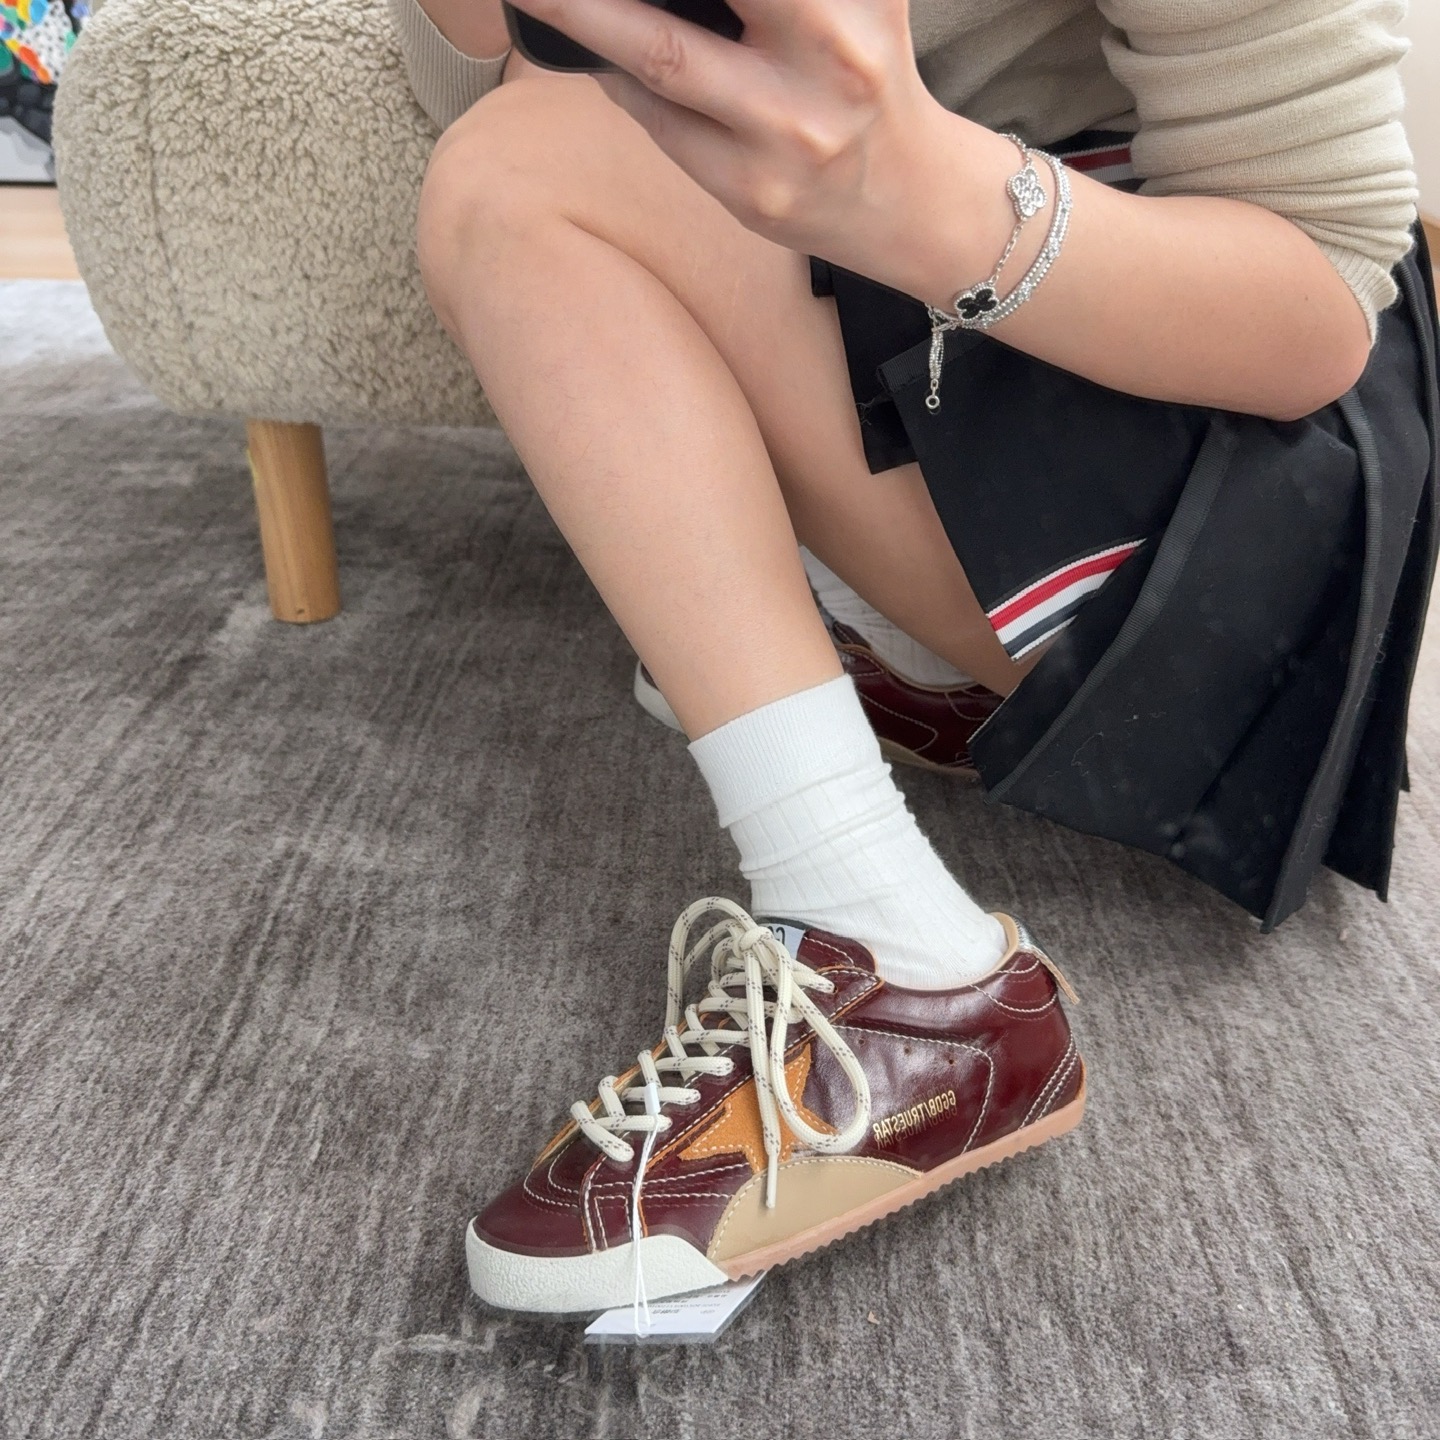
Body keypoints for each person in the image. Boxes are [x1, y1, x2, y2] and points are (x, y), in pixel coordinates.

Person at [389, 0, 1436, 1315]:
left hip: (1230, 495)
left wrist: (910, 189)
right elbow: (482, 77)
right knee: (542, 136)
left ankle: (914, 971)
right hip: (975, 344)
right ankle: (893, 671)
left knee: (531, 169)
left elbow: (1322, 296)